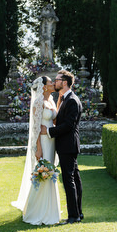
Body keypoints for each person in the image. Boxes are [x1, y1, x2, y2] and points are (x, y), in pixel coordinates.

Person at [12, 76, 61, 225]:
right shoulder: (38, 102)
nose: (53, 83)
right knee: (44, 170)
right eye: (50, 82)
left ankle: (51, 209)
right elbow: (35, 129)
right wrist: (38, 148)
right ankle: (37, 210)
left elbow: (54, 120)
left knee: (50, 170)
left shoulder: (52, 100)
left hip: (52, 140)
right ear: (44, 87)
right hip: (44, 142)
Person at [41, 69, 83, 224]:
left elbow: (68, 126)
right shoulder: (65, 99)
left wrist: (49, 131)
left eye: (57, 79)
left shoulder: (72, 100)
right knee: (75, 180)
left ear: (64, 82)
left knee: (69, 180)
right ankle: (78, 213)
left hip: (68, 146)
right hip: (68, 146)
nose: (55, 81)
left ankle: (73, 216)